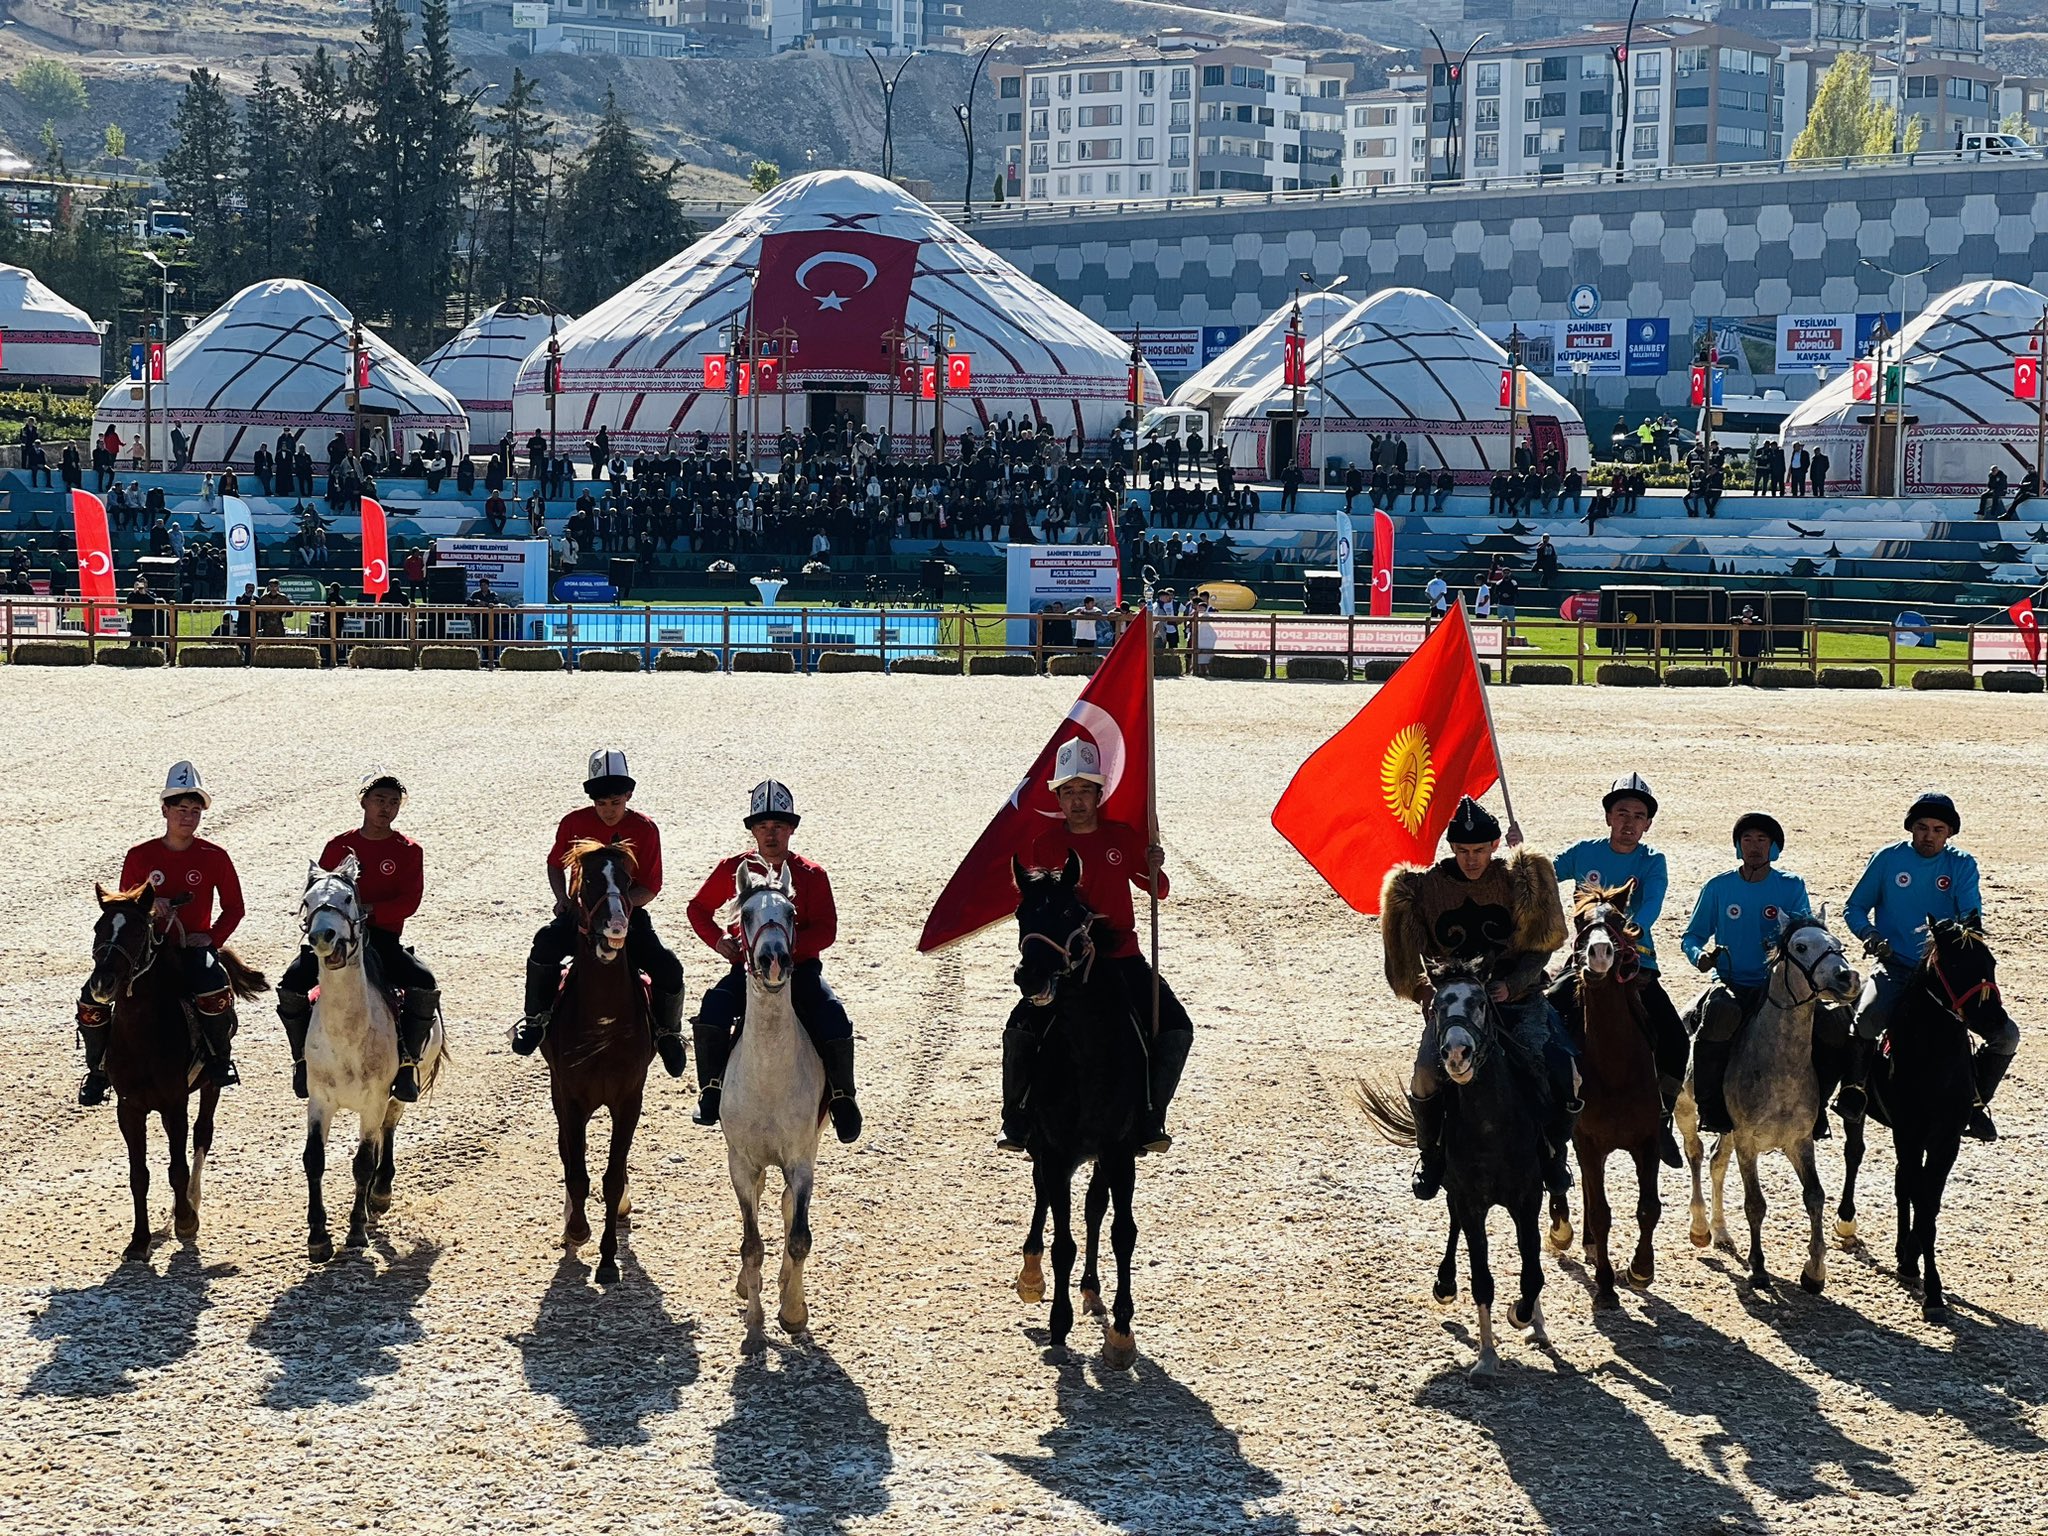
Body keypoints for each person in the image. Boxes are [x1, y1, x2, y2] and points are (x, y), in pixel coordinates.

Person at [1000, 739, 1192, 1155]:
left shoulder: (1120, 837)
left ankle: (1151, 1114)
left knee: (1177, 1025)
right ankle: (1014, 1118)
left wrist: (1154, 862)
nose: (1077, 801)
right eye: (1068, 792)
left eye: (1084, 791)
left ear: (1098, 795)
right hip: (1068, 964)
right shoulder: (1045, 844)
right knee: (1020, 1026)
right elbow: (1046, 904)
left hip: (1122, 957)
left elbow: (1158, 890)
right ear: (1058, 799)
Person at [1383, 796, 1576, 1197]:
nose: (1472, 860)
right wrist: (1426, 994)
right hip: (1456, 1007)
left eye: (1480, 850)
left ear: (1493, 847)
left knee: (1562, 1068)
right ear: (1453, 849)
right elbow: (1404, 964)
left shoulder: (1518, 880)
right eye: (1464, 851)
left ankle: (1555, 1155)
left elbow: (1543, 944)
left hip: (1515, 997)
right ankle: (1431, 1157)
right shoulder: (1423, 890)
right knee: (1424, 1076)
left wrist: (1516, 984)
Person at [684, 781, 861, 1142]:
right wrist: (721, 942)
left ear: (791, 829)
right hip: (747, 970)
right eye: (763, 827)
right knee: (713, 1006)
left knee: (833, 1014)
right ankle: (711, 1089)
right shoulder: (731, 869)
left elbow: (826, 930)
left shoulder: (813, 875)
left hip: (800, 970)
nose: (771, 834)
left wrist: (781, 951)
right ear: (752, 831)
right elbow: (698, 909)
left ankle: (843, 1097)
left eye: (779, 826)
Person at [1838, 792, 2016, 1139]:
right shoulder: (1888, 860)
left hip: (1943, 976)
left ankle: (1976, 1102)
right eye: (1922, 828)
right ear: (1911, 829)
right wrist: (1870, 936)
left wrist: (1959, 939)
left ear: (1949, 833)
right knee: (1868, 1017)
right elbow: (1854, 908)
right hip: (1896, 966)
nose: (1929, 836)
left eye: (1938, 829)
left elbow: (1970, 916)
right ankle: (1854, 1091)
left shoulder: (1962, 865)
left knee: (2006, 1035)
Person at [76, 762, 246, 1105]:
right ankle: (98, 1070)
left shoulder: (215, 857)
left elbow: (234, 909)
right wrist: (155, 905)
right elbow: (125, 907)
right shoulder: (140, 856)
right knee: (91, 997)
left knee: (214, 988)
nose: (188, 817)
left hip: (190, 947)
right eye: (181, 809)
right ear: (165, 810)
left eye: (195, 810)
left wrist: (212, 938)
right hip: (144, 953)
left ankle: (219, 1060)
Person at [512, 749, 688, 1077]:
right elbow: (555, 864)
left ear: (629, 795)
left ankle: (667, 1032)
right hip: (581, 912)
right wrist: (562, 896)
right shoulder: (573, 822)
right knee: (544, 947)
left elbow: (651, 885)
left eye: (616, 802)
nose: (609, 811)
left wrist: (620, 906)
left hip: (628, 913)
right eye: (602, 804)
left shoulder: (645, 829)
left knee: (669, 967)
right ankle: (535, 1019)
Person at [276, 772, 440, 1102]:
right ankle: (302, 1060)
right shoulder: (338, 846)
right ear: (364, 801)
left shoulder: (408, 850)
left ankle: (407, 1064)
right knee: (292, 982)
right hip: (336, 937)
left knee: (422, 981)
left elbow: (409, 902)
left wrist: (367, 911)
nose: (386, 808)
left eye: (393, 803)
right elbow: (319, 891)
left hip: (380, 939)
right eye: (380, 800)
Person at [1553, 774, 1686, 1166]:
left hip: (1635, 962)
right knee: (1543, 1023)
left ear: (1648, 824)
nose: (1629, 823)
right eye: (1622, 813)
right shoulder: (1582, 853)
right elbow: (1544, 876)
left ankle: (1661, 1116)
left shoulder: (1651, 862)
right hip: (1583, 965)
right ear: (1609, 817)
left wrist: (1627, 935)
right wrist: (1523, 857)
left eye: (1639, 816)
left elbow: (1651, 907)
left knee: (1676, 1039)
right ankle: (1552, 1115)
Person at [1679, 813, 1812, 1134]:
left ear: (1774, 847)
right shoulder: (1718, 887)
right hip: (1730, 982)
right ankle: (1710, 1107)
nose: (1754, 847)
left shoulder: (1791, 887)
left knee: (1830, 1026)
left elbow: (1805, 932)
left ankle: (1818, 1109)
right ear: (1738, 846)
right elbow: (1692, 936)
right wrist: (1700, 957)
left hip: (1778, 986)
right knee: (1719, 1015)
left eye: (1762, 840)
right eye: (1747, 840)